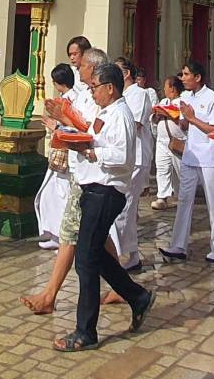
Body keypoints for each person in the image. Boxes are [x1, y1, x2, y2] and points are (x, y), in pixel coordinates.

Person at [53, 62, 155, 352]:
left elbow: (121, 156)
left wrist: (89, 151)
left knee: (85, 260)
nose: (92, 92)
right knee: (94, 254)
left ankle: (85, 331)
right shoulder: (105, 113)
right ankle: (137, 296)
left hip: (106, 191)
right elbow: (94, 137)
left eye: (95, 87)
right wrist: (76, 138)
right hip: (93, 188)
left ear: (110, 88)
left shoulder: (121, 115)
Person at [20, 48, 108, 316]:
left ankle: (49, 295)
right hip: (82, 172)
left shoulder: (103, 99)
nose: (77, 70)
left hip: (93, 174)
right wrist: (61, 121)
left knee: (71, 235)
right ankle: (129, 290)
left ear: (93, 68)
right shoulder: (86, 95)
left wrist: (62, 120)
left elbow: (92, 132)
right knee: (99, 236)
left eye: (81, 65)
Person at [160, 60, 214, 263]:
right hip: (190, 154)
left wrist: (192, 118)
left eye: (186, 74)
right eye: (182, 74)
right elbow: (185, 125)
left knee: (212, 202)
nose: (183, 78)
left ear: (197, 77)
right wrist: (176, 118)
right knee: (184, 199)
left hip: (208, 155)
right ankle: (178, 245)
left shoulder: (212, 97)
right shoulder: (186, 97)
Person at [113, 57, 152, 270]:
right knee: (125, 207)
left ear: (127, 73)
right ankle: (131, 254)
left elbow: (134, 124)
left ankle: (118, 254)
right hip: (123, 157)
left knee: (125, 207)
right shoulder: (121, 95)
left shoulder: (139, 94)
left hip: (136, 156)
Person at [35, 64, 79, 247]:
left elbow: (75, 126)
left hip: (66, 151)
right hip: (59, 148)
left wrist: (57, 126)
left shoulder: (72, 100)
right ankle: (54, 234)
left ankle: (62, 238)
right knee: (49, 195)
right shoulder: (63, 99)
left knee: (61, 195)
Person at [151, 75, 184, 212]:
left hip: (177, 140)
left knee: (180, 169)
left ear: (173, 88)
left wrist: (168, 113)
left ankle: (182, 195)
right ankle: (162, 196)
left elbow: (182, 120)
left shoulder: (182, 102)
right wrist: (156, 115)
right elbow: (154, 120)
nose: (164, 89)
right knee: (162, 168)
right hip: (162, 141)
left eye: (166, 86)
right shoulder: (163, 101)